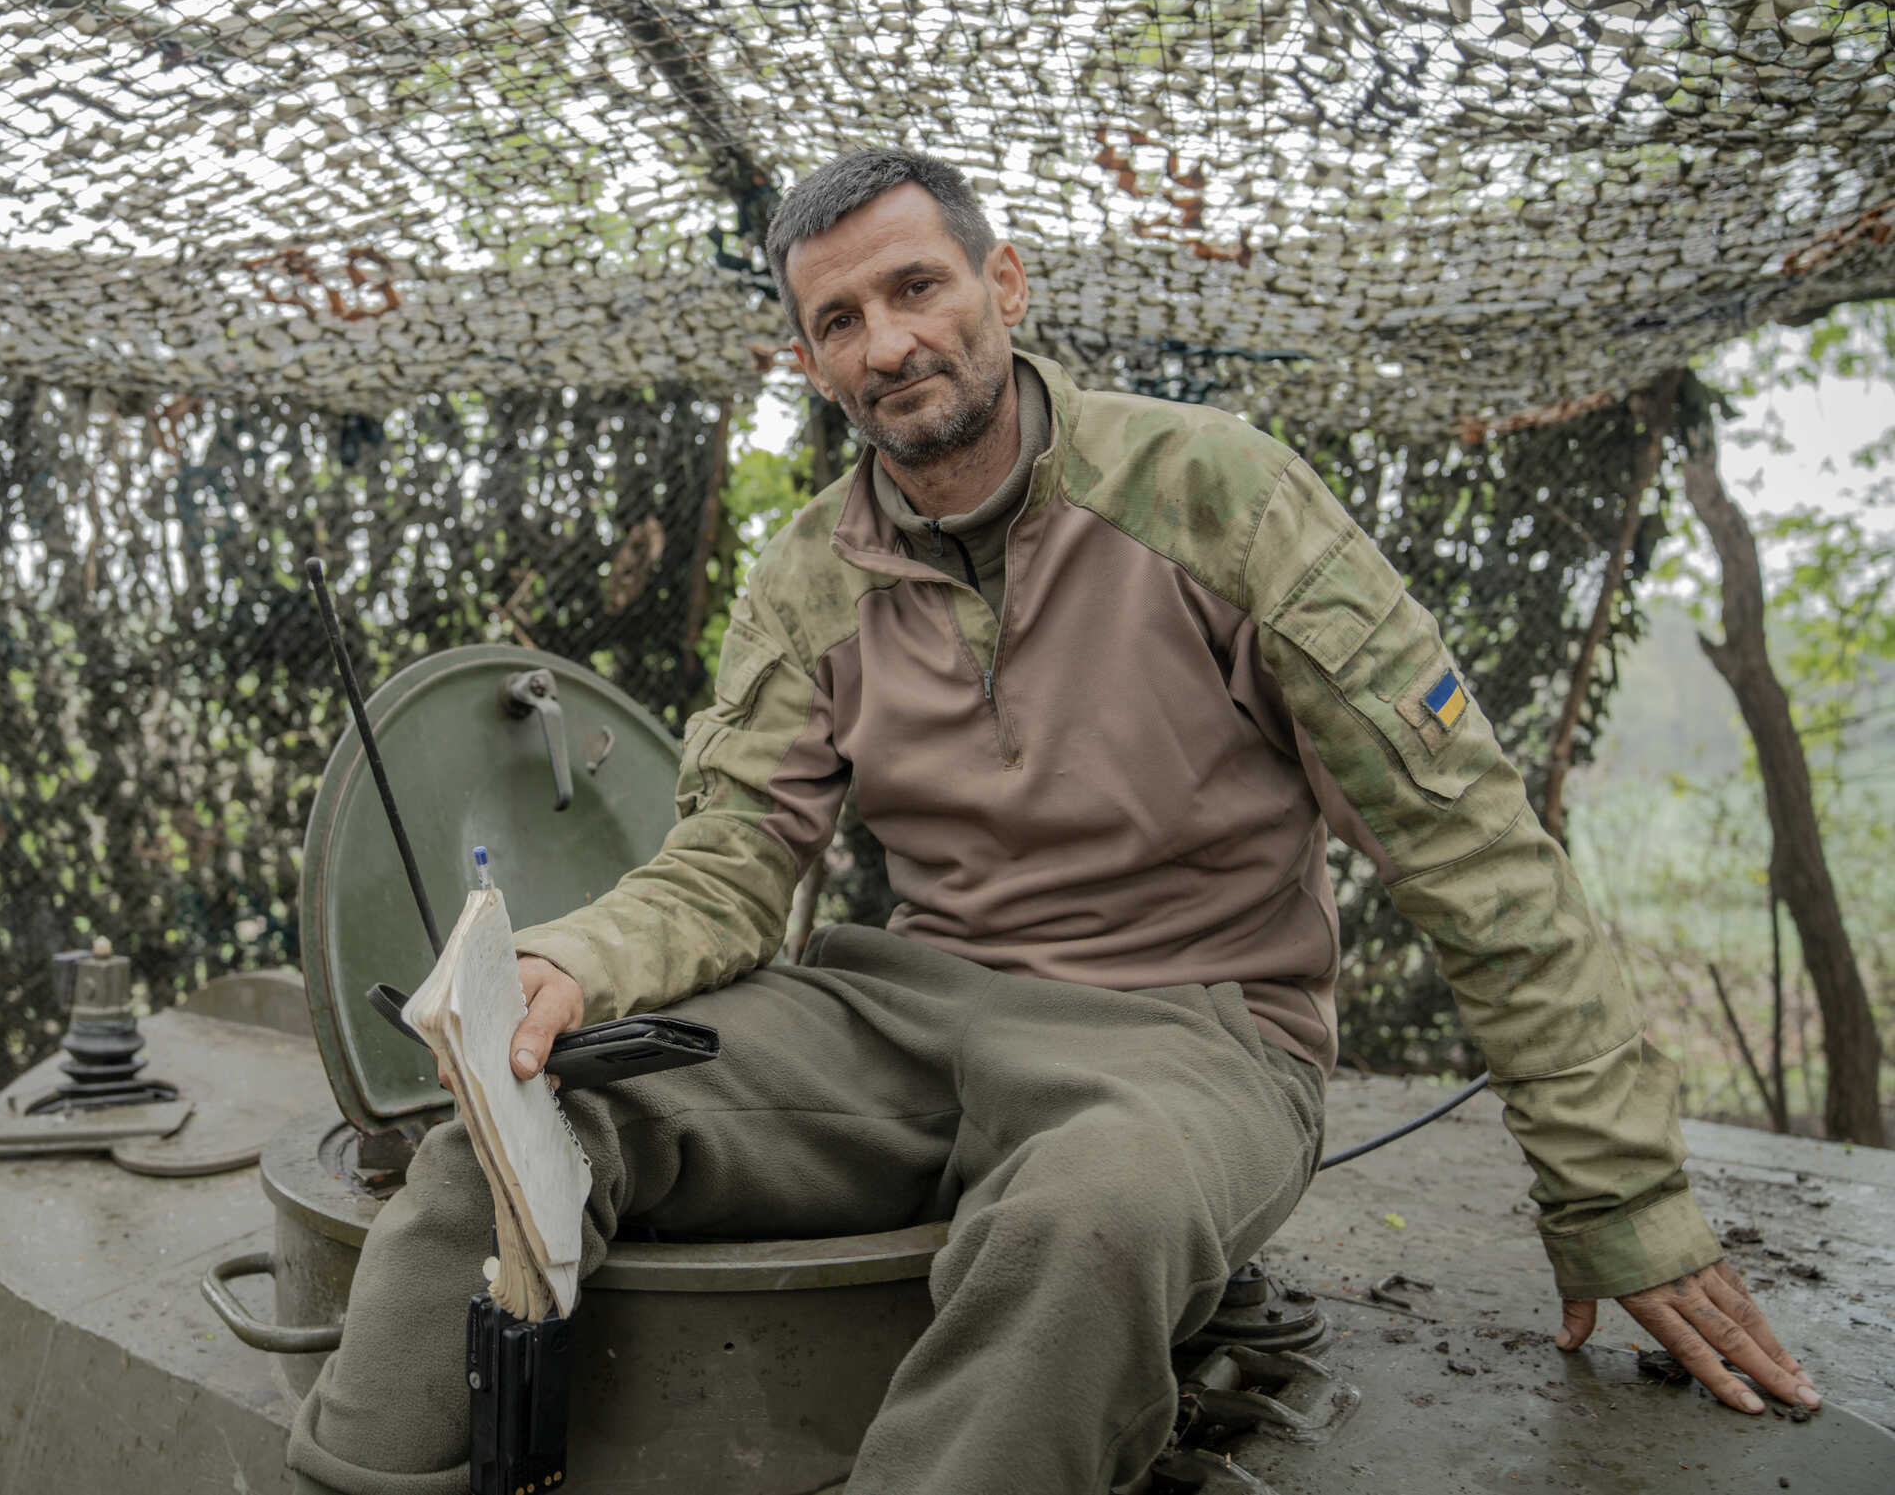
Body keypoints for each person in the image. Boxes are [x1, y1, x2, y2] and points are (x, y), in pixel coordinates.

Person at [286, 149, 1817, 1494]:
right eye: (840, 320)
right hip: (910, 1012)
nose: (889, 342)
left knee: (1085, 1224)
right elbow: (732, 860)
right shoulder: (808, 576)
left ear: (1002, 283)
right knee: (523, 1119)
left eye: (916, 287)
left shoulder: (1221, 496)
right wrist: (570, 964)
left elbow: (1470, 846)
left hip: (1200, 1034)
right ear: (811, 360)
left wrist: (1620, 1195)